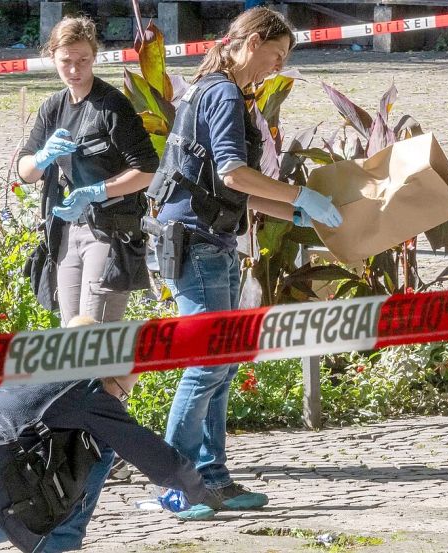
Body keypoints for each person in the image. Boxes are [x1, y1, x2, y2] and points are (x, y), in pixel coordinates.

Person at [145, 7, 343, 519]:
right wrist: (301, 194)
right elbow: (235, 173)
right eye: (275, 56)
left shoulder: (213, 88)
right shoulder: (224, 93)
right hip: (198, 244)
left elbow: (237, 190)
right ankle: (176, 483)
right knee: (208, 362)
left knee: (223, 364)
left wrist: (302, 211)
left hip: (213, 240)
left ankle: (212, 477)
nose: (275, 69)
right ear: (251, 42)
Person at [0, 318, 218, 553]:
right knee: (101, 445)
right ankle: (59, 545)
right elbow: (157, 458)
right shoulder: (87, 388)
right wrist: (202, 492)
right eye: (123, 393)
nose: (121, 401)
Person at [17, 15, 158, 329]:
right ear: (52, 57)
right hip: (67, 230)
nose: (74, 70)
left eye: (83, 60)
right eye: (66, 61)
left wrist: (96, 191)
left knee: (94, 331)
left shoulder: (112, 106)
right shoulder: (53, 107)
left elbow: (148, 170)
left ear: (95, 57)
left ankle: (106, 381)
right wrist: (41, 157)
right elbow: (25, 171)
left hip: (109, 230)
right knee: (72, 334)